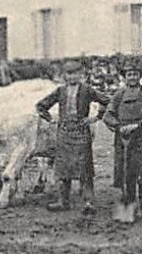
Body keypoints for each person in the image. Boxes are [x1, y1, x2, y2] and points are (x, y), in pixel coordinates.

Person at [34, 59, 110, 214]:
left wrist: (96, 117)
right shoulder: (60, 91)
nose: (72, 77)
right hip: (64, 132)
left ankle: (87, 202)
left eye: (75, 73)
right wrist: (51, 118)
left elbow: (107, 101)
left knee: (85, 169)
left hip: (81, 132)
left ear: (81, 75)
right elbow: (41, 106)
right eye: (69, 74)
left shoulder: (87, 90)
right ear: (65, 76)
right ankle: (63, 201)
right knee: (63, 168)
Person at [103, 63, 142, 222]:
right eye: (129, 74)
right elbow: (107, 115)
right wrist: (119, 126)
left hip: (141, 138)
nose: (132, 77)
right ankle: (128, 208)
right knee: (125, 174)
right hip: (122, 140)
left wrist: (138, 125)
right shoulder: (119, 94)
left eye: (135, 74)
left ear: (140, 76)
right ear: (125, 77)